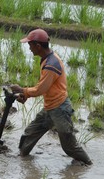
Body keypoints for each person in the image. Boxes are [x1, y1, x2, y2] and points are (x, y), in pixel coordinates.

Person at [10, 28, 92, 165]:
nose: (29, 48)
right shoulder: (46, 59)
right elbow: (43, 86)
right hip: (50, 107)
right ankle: (21, 160)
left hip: (60, 109)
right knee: (29, 134)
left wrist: (22, 90)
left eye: (30, 45)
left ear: (38, 46)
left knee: (69, 146)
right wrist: (26, 95)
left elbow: (41, 89)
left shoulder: (51, 65)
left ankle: (88, 164)